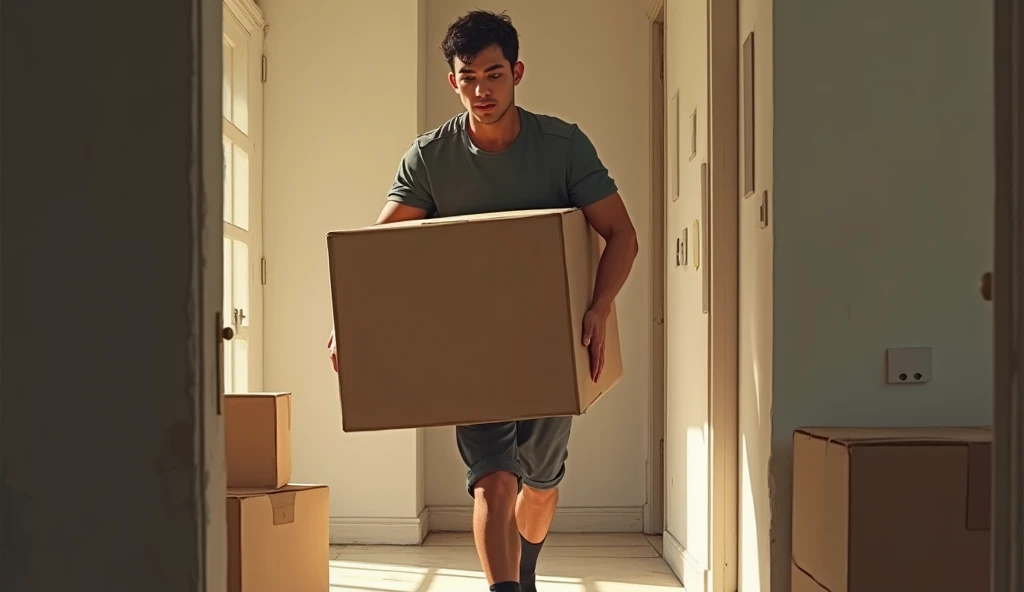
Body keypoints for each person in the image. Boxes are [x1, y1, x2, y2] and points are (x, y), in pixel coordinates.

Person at [327, 10, 638, 592]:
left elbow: (621, 233)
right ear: (453, 81)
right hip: (472, 349)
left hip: (551, 341)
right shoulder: (429, 158)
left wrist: (598, 308)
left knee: (540, 484)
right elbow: (377, 254)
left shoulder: (564, 146)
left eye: (493, 74)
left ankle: (525, 571)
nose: (481, 90)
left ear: (517, 72)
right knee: (494, 479)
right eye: (468, 77)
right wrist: (351, 324)